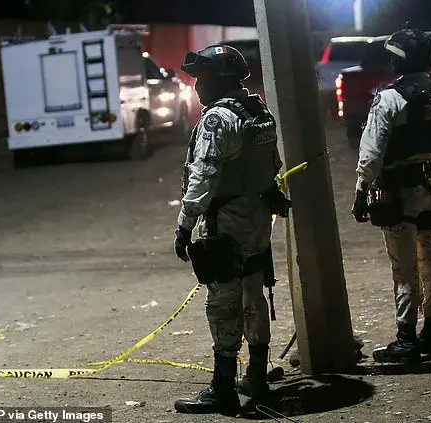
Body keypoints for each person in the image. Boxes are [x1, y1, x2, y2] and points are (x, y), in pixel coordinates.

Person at [172, 44, 291, 415]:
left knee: (223, 304)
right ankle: (256, 375)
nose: (197, 86)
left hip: (225, 224)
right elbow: (272, 163)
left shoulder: (217, 119)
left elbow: (203, 177)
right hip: (256, 219)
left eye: (201, 78)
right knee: (254, 295)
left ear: (218, 80)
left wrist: (184, 225)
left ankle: (222, 388)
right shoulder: (257, 110)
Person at [351, 29, 431, 363]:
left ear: (398, 61)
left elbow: (371, 155)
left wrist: (361, 191)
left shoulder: (389, 99)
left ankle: (406, 339)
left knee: (404, 267)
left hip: (399, 192)